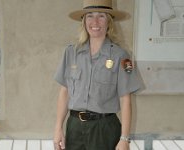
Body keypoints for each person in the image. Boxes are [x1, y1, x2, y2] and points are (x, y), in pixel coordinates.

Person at [53, 0, 142, 150]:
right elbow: (64, 92)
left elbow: (125, 100)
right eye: (90, 16)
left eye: (101, 16)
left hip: (104, 129)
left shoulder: (121, 56)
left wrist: (124, 138)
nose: (95, 22)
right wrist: (58, 128)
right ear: (84, 21)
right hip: (74, 127)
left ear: (109, 22)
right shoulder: (71, 53)